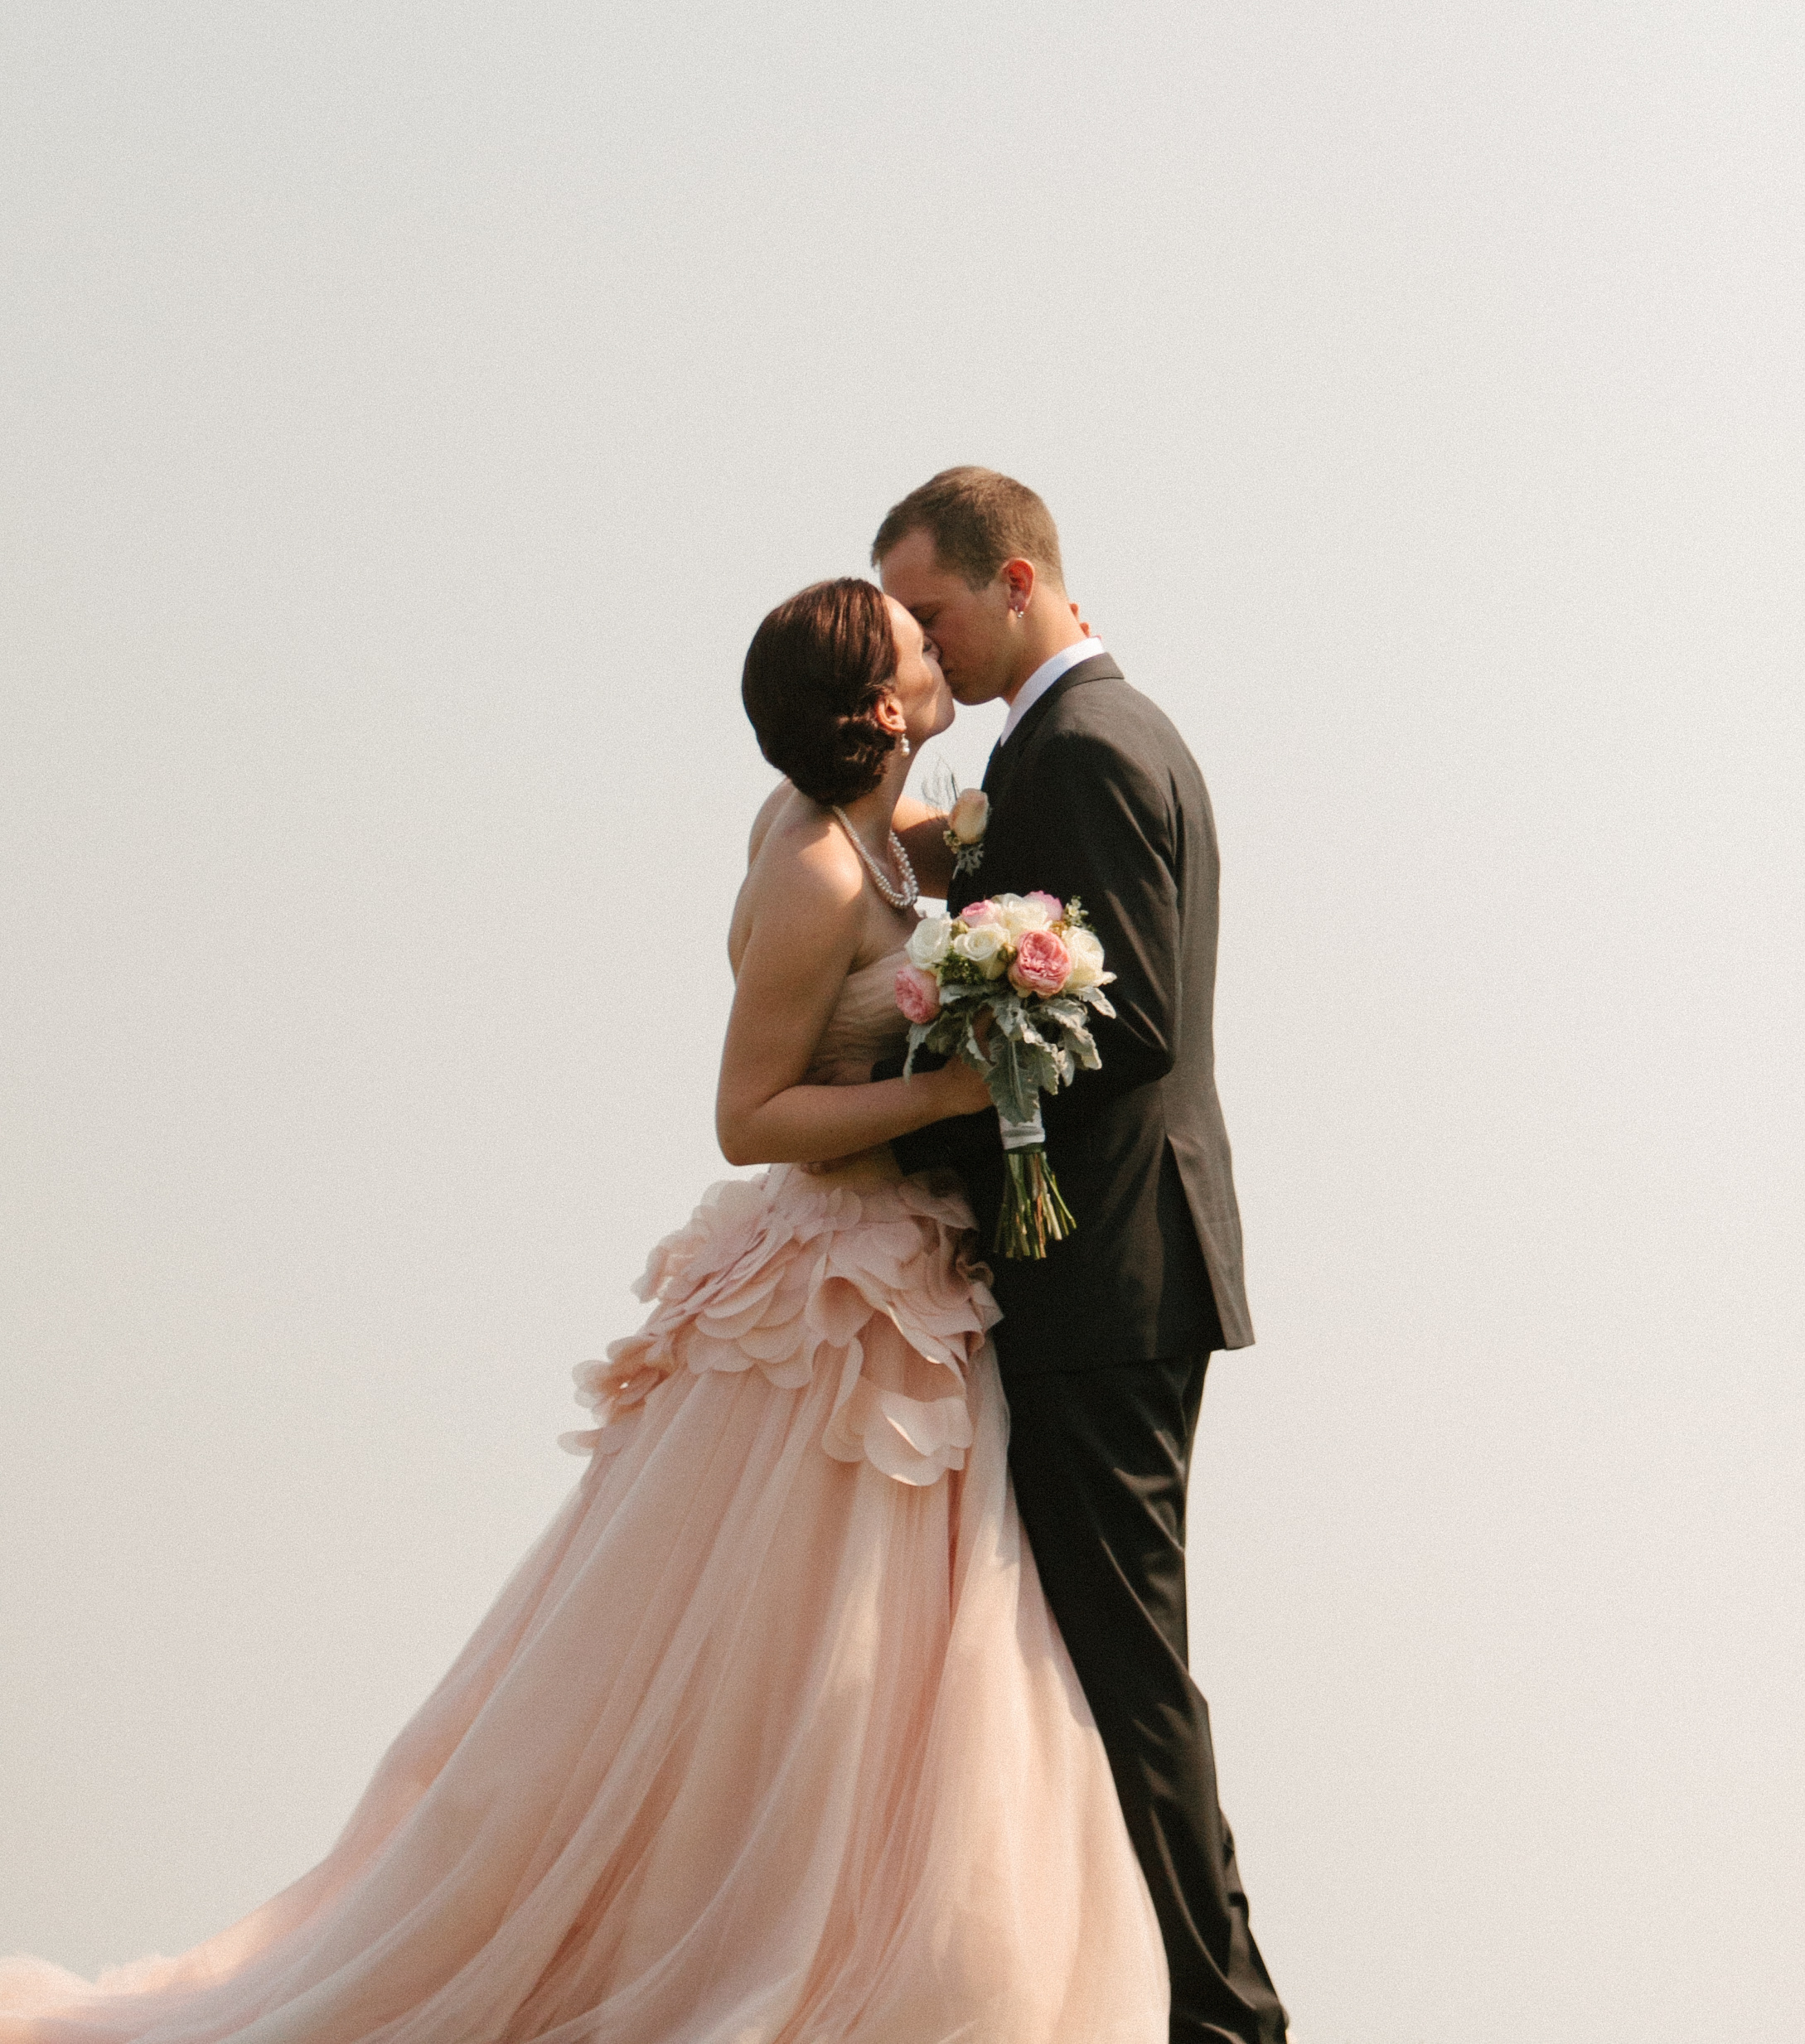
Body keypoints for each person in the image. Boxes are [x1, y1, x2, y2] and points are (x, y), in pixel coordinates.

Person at [1, 577, 1169, 2044]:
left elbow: (930, 855)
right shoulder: (807, 865)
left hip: (908, 1265)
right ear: (881, 711)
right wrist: (960, 1085)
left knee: (889, 1641)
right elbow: (747, 1113)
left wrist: (1013, 888)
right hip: (830, 1296)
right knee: (811, 1640)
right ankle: (751, 1933)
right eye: (911, 642)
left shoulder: (870, 838)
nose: (937, 649)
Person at [874, 466, 1288, 2044]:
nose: (924, 644)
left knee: (1128, 1659)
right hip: (1103, 1271)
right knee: (1097, 1651)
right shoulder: (1053, 749)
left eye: (934, 610)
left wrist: (893, 1133)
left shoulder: (1090, 747)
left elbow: (1121, 1035)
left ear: (1021, 578)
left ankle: (1230, 2018)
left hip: (1109, 1272)